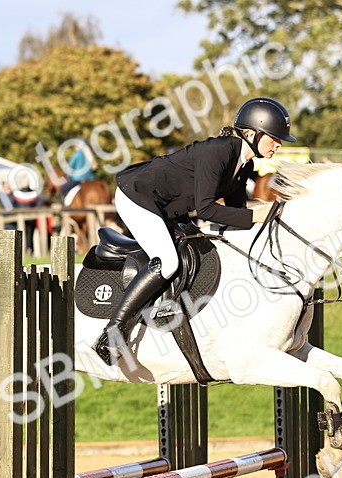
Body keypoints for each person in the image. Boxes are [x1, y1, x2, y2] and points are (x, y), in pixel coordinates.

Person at [92, 96, 292, 366]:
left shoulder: (245, 163)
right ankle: (112, 332)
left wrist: (267, 221)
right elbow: (207, 210)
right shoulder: (219, 152)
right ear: (252, 133)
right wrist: (256, 214)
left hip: (165, 206)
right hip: (137, 196)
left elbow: (236, 215)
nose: (278, 144)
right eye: (274, 137)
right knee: (168, 260)